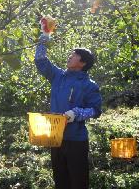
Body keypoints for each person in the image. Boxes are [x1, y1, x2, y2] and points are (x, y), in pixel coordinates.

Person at [34, 33, 102, 189]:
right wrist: (44, 37)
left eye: (75, 55)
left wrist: (77, 113)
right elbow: (40, 61)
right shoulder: (59, 76)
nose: (70, 56)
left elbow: (95, 110)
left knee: (78, 182)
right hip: (56, 138)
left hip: (76, 140)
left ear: (83, 63)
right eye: (71, 53)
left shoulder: (89, 85)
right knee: (61, 181)